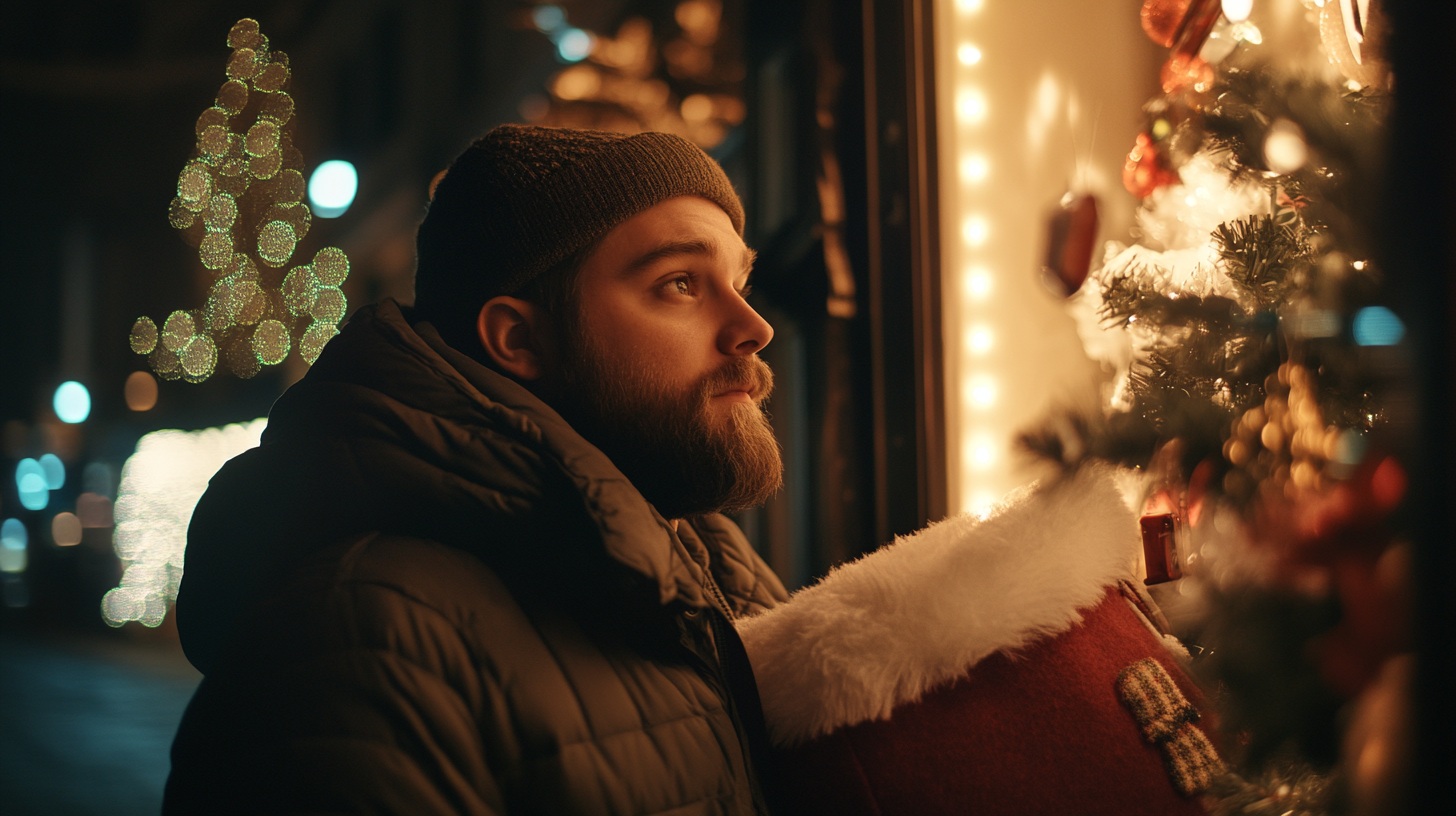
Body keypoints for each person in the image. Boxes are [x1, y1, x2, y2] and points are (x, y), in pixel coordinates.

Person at [163, 124, 789, 816]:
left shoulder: (722, 586)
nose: (753, 325)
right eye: (680, 283)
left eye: (740, 281)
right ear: (520, 339)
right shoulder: (356, 641)